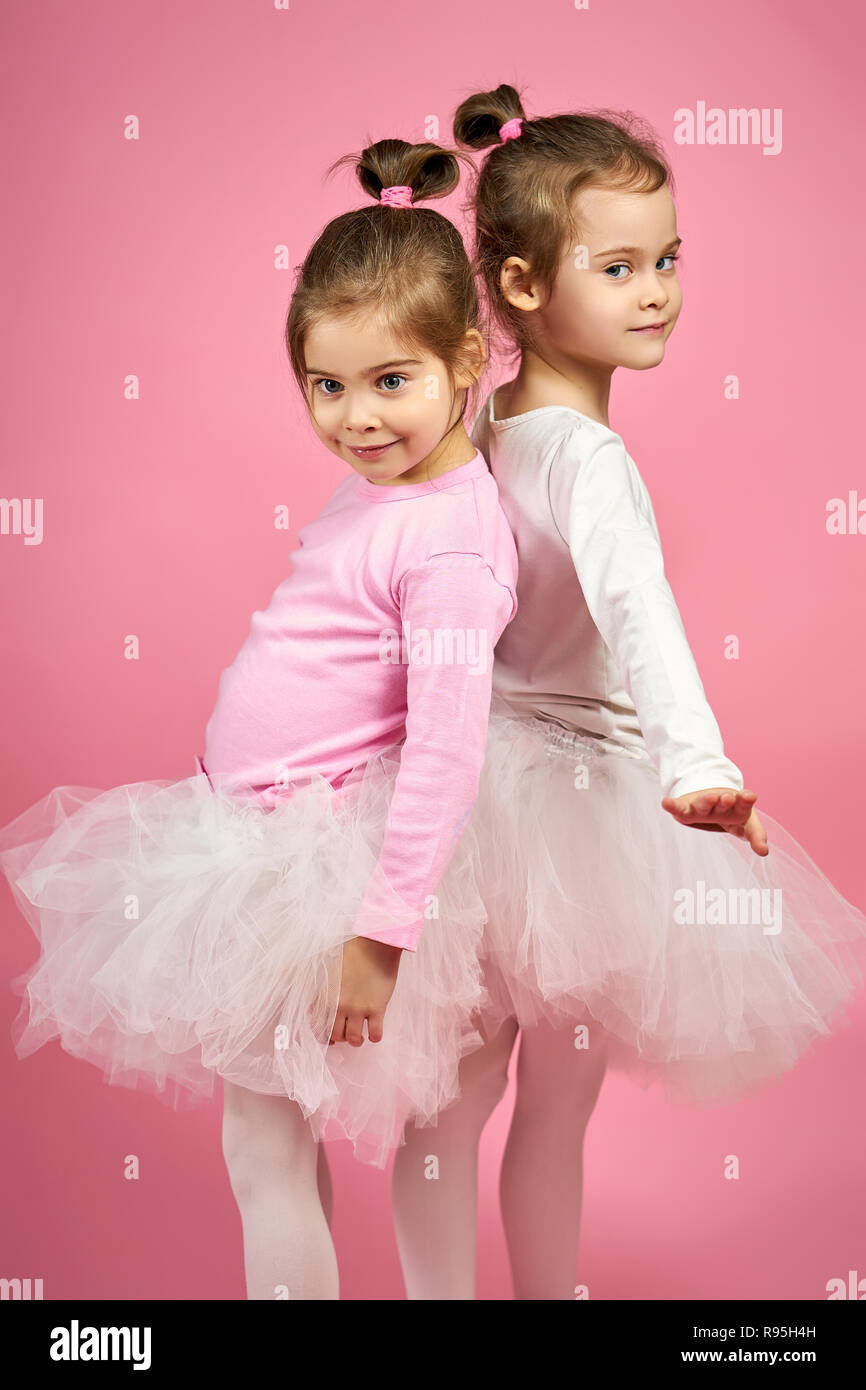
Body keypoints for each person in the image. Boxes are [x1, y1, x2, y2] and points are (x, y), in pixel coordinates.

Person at [0, 137, 518, 1299]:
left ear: (468, 360)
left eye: (391, 382)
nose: (354, 417)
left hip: (329, 876)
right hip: (252, 841)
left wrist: (380, 938)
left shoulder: (447, 535)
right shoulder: (385, 487)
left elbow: (445, 742)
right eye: (326, 387)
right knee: (270, 1143)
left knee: (262, 1145)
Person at [389, 86, 866, 1301]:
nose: (655, 288)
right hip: (575, 809)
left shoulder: (473, 424)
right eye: (618, 265)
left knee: (448, 1107)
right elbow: (639, 617)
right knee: (551, 1110)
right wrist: (695, 766)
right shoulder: (587, 458)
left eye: (665, 258)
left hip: (467, 792)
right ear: (524, 285)